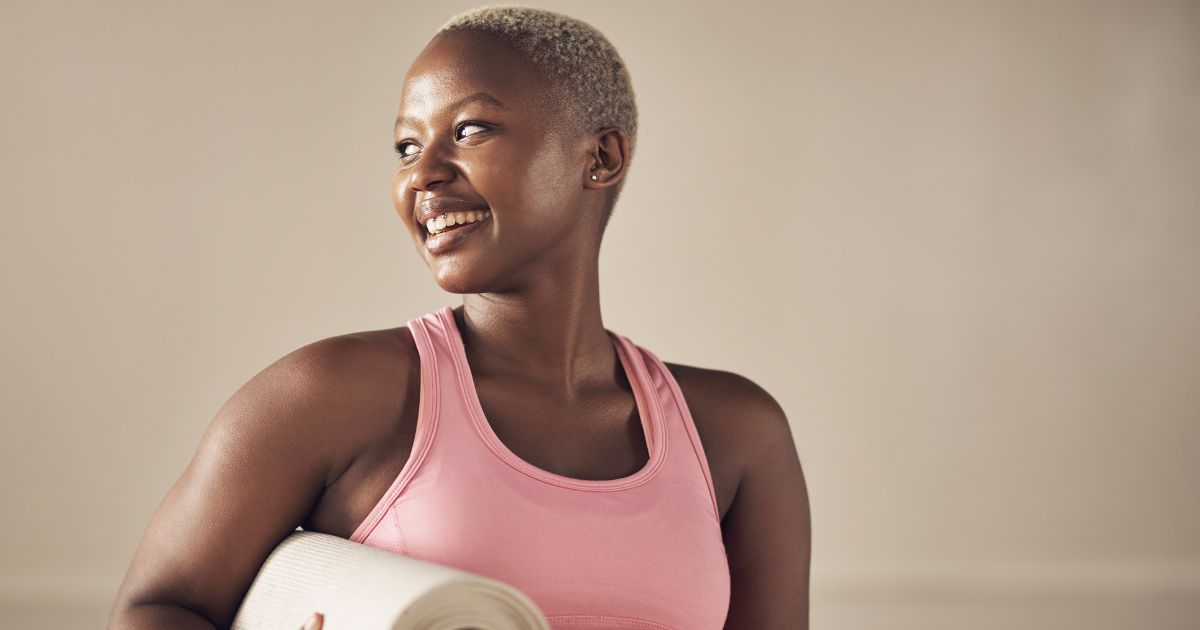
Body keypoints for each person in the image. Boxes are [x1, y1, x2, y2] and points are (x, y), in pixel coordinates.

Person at [109, 5, 810, 629]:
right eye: (407, 147)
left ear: (600, 157)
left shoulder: (737, 434)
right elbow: (155, 608)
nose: (422, 175)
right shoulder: (333, 395)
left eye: (469, 129)